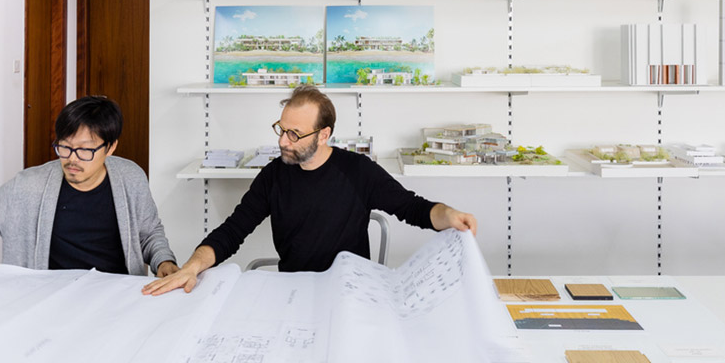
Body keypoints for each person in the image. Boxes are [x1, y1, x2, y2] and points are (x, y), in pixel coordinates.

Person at [144, 85, 476, 295]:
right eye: (281, 129)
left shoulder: (358, 171)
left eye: (294, 134)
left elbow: (413, 208)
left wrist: (449, 215)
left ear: (323, 134)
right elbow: (232, 231)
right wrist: (193, 266)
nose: (282, 141)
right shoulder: (274, 176)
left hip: (351, 289)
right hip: (295, 290)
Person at [0, 96, 179, 277]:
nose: (72, 159)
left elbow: (149, 233)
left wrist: (164, 261)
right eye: (65, 147)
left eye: (85, 150)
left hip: (116, 298)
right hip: (47, 300)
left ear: (110, 148)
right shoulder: (28, 186)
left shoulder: (130, 177)